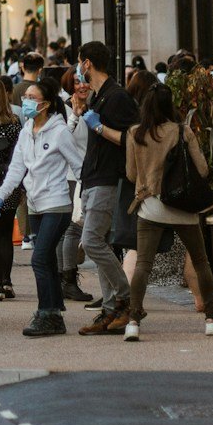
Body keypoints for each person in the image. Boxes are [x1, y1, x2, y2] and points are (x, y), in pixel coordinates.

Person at [120, 81, 213, 341]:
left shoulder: (134, 133)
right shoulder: (182, 131)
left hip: (150, 206)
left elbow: (131, 174)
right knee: (200, 262)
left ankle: (133, 320)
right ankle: (211, 319)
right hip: (181, 207)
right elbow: (201, 169)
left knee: (143, 264)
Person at [0, 78, 85, 337]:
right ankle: (55, 313)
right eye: (25, 98)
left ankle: (46, 313)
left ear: (45, 104)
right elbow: (16, 168)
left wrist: (85, 200)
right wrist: (2, 194)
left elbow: (78, 167)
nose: (26, 103)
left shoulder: (59, 132)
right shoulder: (26, 130)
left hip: (57, 204)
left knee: (40, 258)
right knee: (47, 260)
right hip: (35, 206)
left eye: (32, 98)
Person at [70, 41, 139, 335]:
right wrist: (82, 112)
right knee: (100, 243)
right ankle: (111, 310)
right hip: (92, 177)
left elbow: (131, 138)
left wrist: (97, 126)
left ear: (87, 63)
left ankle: (125, 297)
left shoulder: (117, 96)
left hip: (108, 178)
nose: (78, 68)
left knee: (92, 242)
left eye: (79, 62)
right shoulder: (100, 96)